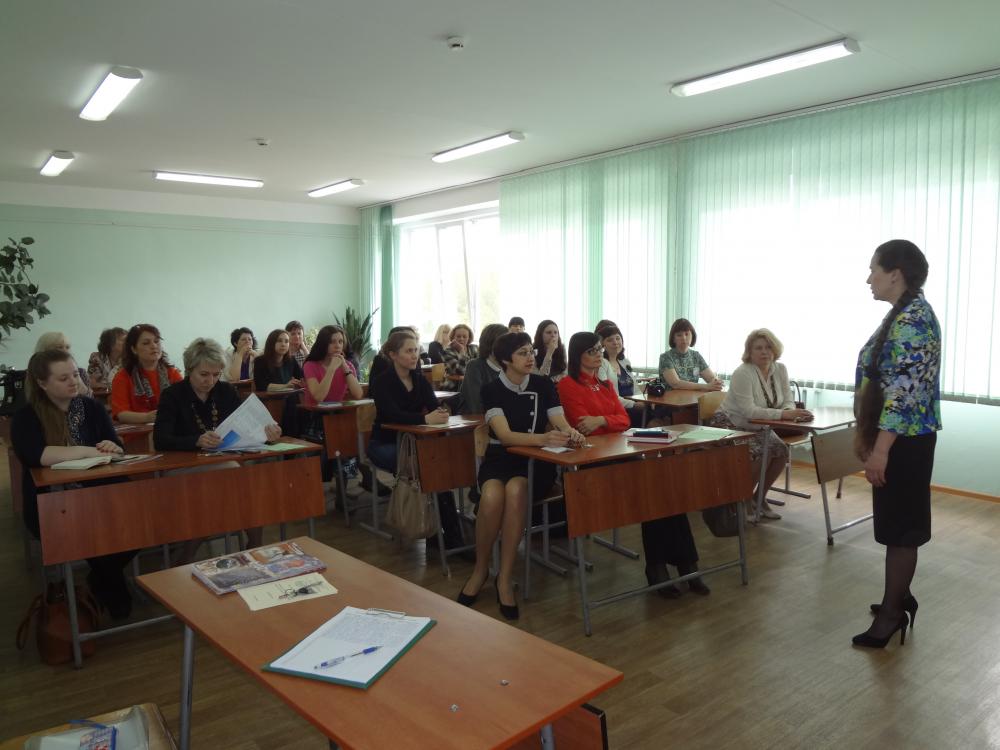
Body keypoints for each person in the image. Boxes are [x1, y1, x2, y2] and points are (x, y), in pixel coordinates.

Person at [558, 332, 710, 596]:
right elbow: (583, 424)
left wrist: (602, 420)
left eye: (599, 350)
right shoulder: (567, 385)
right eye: (592, 351)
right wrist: (606, 422)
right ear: (577, 355)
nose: (598, 355)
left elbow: (624, 420)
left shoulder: (605, 384)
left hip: (620, 452)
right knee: (653, 494)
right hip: (591, 462)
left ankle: (687, 565)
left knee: (667, 492)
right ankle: (658, 568)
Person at [457, 332, 585, 619]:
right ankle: (480, 570)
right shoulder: (491, 389)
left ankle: (504, 577)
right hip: (500, 458)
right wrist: (544, 438)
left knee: (515, 491)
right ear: (506, 360)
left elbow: (559, 421)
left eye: (531, 352)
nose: (530, 358)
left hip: (534, 463)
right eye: (523, 353)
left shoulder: (543, 385)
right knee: (491, 495)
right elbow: (504, 436)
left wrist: (570, 432)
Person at [851, 239, 941, 649]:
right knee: (894, 525)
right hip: (893, 436)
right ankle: (898, 595)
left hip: (902, 441)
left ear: (895, 274)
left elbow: (904, 395)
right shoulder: (902, 313)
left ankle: (891, 616)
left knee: (902, 531)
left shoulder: (914, 321)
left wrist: (880, 450)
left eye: (873, 269)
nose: (868, 278)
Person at [11, 350, 134, 618]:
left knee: (140, 523)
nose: (73, 382)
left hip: (102, 493)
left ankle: (99, 580)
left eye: (75, 375)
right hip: (52, 502)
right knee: (92, 532)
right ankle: (111, 586)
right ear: (42, 383)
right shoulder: (26, 416)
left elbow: (117, 447)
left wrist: (112, 447)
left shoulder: (92, 408)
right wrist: (88, 451)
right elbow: (36, 455)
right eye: (63, 378)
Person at [154, 338, 282, 552]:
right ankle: (253, 547)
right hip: (183, 466)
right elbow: (161, 439)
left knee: (238, 483)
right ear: (189, 369)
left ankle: (195, 551)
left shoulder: (225, 391)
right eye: (204, 374)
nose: (210, 381)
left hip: (222, 462)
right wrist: (196, 440)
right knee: (236, 479)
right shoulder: (173, 395)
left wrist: (268, 432)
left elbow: (247, 424)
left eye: (216, 374)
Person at [369, 330, 464, 549]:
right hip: (385, 443)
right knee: (427, 467)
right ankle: (446, 534)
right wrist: (425, 419)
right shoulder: (382, 381)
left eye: (416, 350)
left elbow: (433, 407)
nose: (414, 355)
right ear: (393, 355)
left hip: (415, 444)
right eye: (408, 351)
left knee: (437, 467)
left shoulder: (419, 380)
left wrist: (441, 413)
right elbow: (392, 415)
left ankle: (447, 534)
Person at [706, 329, 813, 521]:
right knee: (758, 454)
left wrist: (790, 412)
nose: (764, 352)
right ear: (750, 352)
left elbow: (788, 399)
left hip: (761, 424)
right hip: (731, 423)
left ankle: (759, 498)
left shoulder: (780, 369)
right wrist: (784, 414)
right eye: (758, 348)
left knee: (781, 451)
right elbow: (749, 411)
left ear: (775, 349)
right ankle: (744, 499)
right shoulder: (742, 373)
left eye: (768, 347)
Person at [110, 324, 183, 424]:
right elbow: (121, 414)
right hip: (139, 429)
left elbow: (185, 404)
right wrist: (147, 417)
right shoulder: (123, 377)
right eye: (146, 343)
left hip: (169, 426)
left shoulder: (172, 373)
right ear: (134, 349)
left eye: (156, 341)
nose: (154, 346)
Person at [302, 324, 363, 406]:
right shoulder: (310, 365)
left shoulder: (348, 365)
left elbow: (358, 394)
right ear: (323, 344)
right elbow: (319, 397)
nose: (337, 346)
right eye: (332, 342)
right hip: (315, 411)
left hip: (337, 410)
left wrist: (345, 368)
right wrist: (332, 368)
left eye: (340, 342)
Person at [658, 318, 723, 392]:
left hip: (693, 398)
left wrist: (716, 382)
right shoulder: (665, 357)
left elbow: (711, 378)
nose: (684, 338)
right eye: (679, 335)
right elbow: (676, 384)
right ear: (673, 339)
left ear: (692, 336)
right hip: (671, 399)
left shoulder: (696, 356)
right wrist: (706, 386)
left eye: (687, 334)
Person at [458, 323, 508, 415]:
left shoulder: (509, 367)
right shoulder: (475, 366)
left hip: (502, 419)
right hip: (476, 420)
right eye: (504, 344)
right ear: (490, 345)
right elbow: (475, 405)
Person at [595, 324, 638, 420]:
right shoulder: (601, 363)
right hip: (617, 410)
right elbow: (608, 395)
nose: (615, 342)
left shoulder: (625, 362)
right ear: (602, 345)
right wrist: (634, 404)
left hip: (633, 406)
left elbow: (636, 389)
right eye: (610, 340)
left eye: (618, 338)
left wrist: (644, 402)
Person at [34, 331, 93, 397]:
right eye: (59, 347)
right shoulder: (34, 374)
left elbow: (89, 399)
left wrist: (76, 376)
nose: (66, 351)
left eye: (67, 347)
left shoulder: (80, 372)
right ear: (45, 350)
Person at [87, 327, 127, 392]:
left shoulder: (128, 360)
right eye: (123, 340)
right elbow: (92, 384)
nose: (127, 343)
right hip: (102, 396)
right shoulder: (97, 358)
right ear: (111, 344)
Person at [440, 324, 478, 391]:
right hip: (453, 388)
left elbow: (480, 368)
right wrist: (462, 351)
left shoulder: (474, 348)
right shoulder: (447, 352)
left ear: (469, 338)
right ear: (453, 337)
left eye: (464, 336)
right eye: (458, 336)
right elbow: (460, 371)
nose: (461, 339)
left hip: (472, 386)